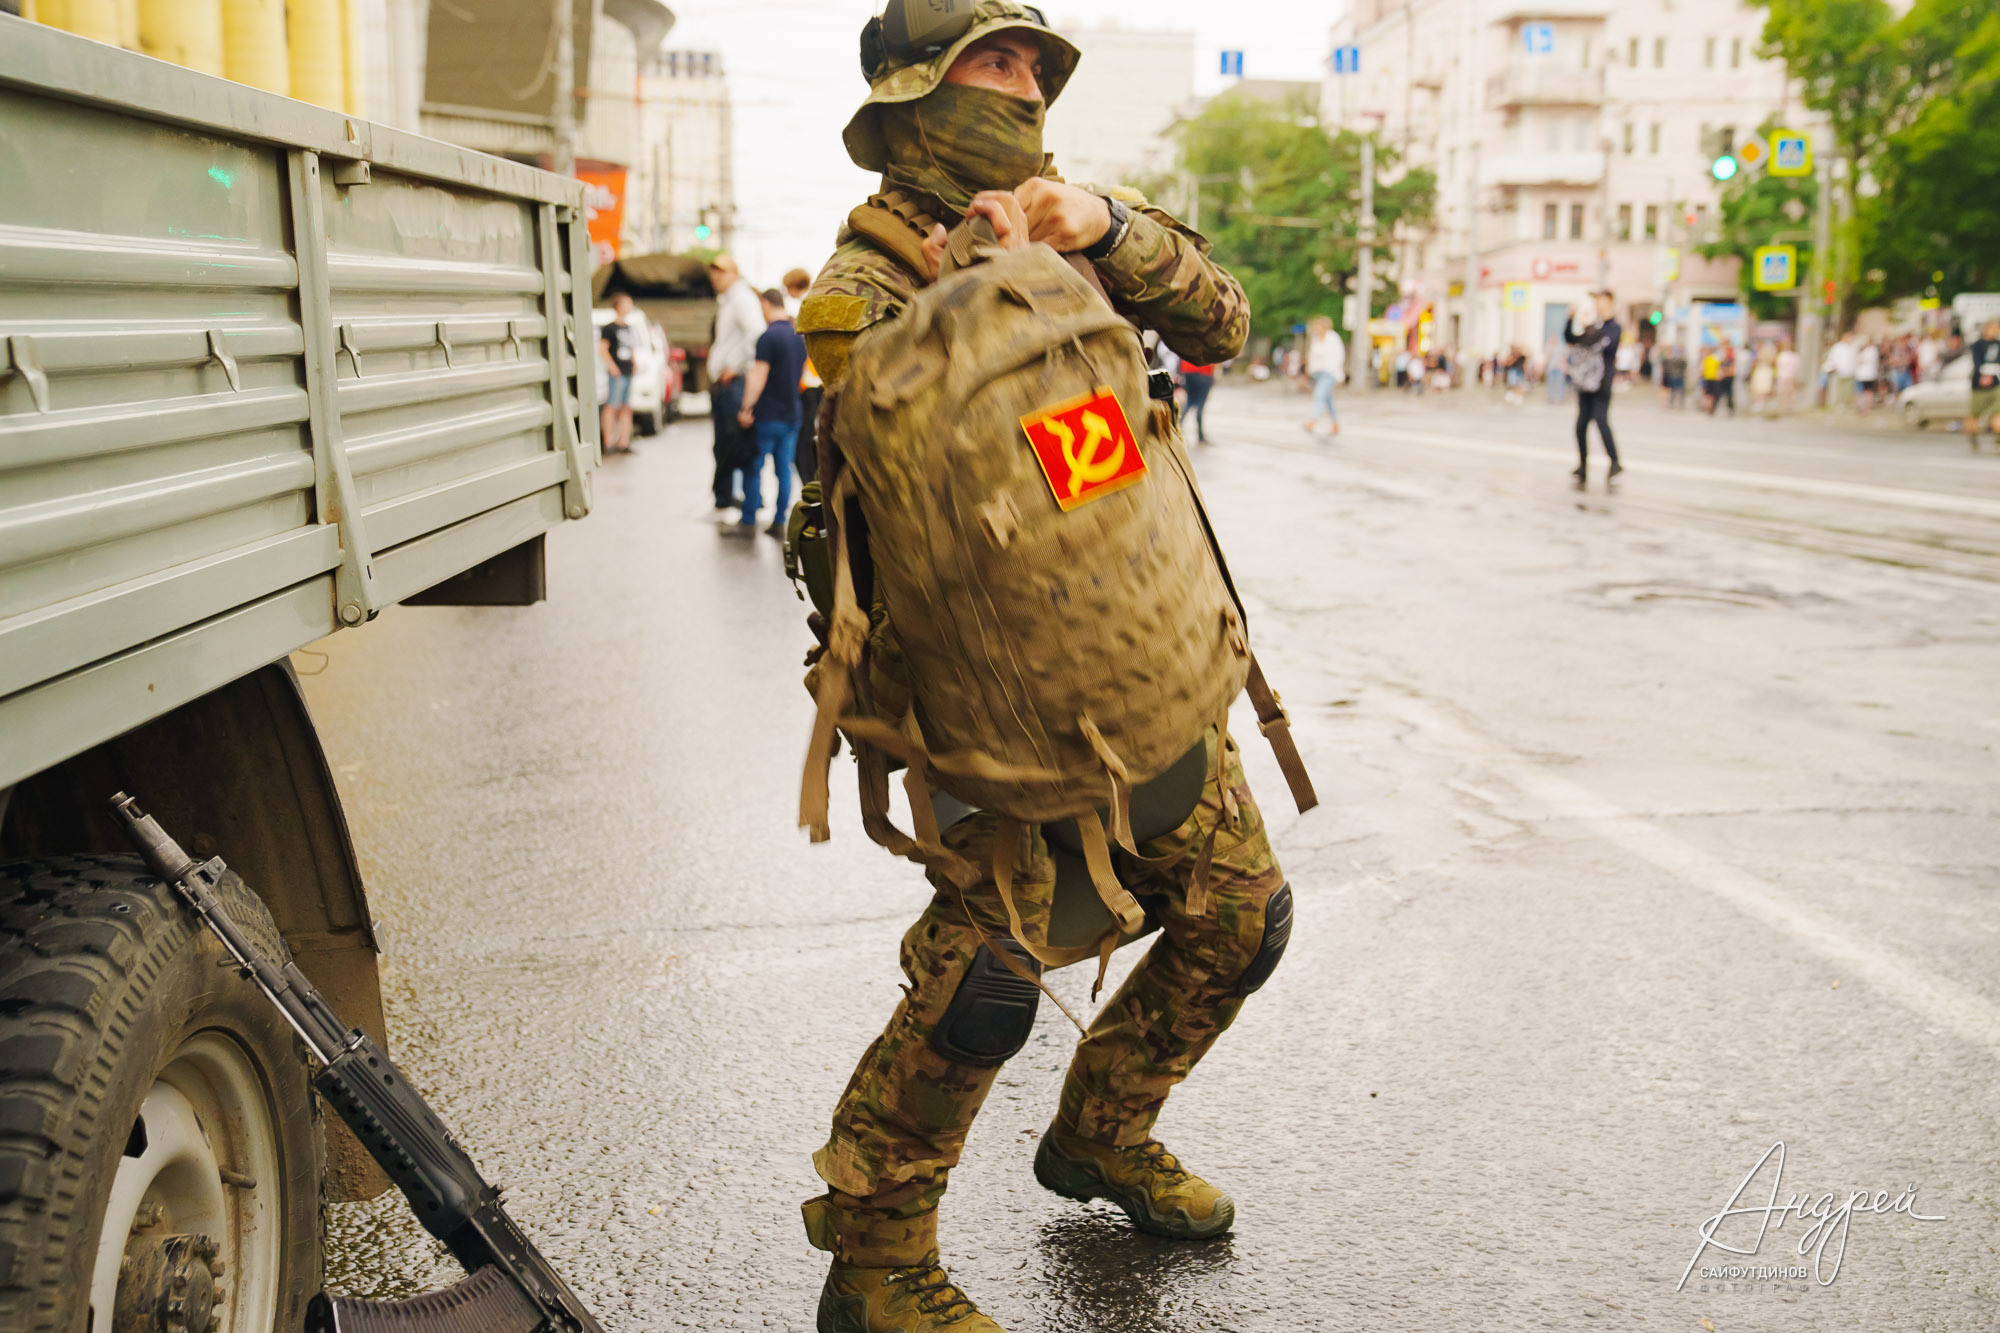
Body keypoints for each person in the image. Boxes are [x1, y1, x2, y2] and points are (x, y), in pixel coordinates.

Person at [793, 6, 1283, 1329]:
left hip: (1137, 650)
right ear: (912, 95)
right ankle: (881, 1259)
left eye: (1030, 66)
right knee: (989, 979)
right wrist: (978, 287)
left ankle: (1103, 1134)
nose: (1018, 88)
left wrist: (1104, 237)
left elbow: (1224, 319)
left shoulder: (1072, 218)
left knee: (1242, 918)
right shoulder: (870, 274)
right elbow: (858, 489)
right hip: (986, 681)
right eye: (987, 64)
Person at [728, 288, 807, 537]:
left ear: (765, 304)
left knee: (753, 466)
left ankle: (749, 517)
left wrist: (746, 407)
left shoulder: (767, 337)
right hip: (792, 413)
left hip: (767, 415)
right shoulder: (799, 336)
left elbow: (758, 376)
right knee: (784, 469)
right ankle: (779, 519)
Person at [706, 253, 766, 510]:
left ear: (734, 274)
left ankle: (731, 496)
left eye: (721, 272)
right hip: (725, 382)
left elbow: (755, 334)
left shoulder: (742, 299)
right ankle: (725, 495)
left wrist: (735, 365)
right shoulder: (728, 300)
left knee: (731, 441)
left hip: (734, 382)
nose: (716, 277)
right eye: (714, 272)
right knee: (724, 441)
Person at [1563, 289, 1622, 482]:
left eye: (1600, 300)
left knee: (1601, 421)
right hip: (1584, 383)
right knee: (1581, 425)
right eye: (1596, 300)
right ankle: (1583, 465)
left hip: (1601, 383)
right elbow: (1572, 338)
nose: (1597, 304)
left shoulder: (1613, 327)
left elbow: (1605, 344)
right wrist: (1571, 318)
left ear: (1609, 302)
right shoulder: (1593, 325)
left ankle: (1615, 462)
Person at [784, 267, 826, 483]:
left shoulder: (800, 306)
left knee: (805, 437)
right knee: (812, 432)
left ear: (792, 286)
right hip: (818, 382)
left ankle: (810, 481)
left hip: (807, 382)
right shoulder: (813, 302)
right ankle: (811, 479)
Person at [598, 290, 638, 454]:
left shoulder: (629, 327)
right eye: (627, 303)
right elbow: (603, 349)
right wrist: (611, 367)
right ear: (618, 306)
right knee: (612, 406)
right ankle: (608, 442)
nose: (630, 306)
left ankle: (624, 441)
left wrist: (634, 362)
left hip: (627, 370)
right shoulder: (609, 328)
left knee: (625, 407)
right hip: (617, 372)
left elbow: (631, 348)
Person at [1304, 316, 1343, 436]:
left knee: (1319, 395)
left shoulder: (1332, 337)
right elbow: (1312, 356)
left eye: (1318, 326)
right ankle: (1335, 424)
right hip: (1318, 373)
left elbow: (1339, 354)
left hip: (1329, 372)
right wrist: (1310, 369)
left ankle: (1312, 421)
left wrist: (1334, 369)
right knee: (1327, 399)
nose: (1316, 329)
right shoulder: (1315, 339)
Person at [1967, 318, 2000, 454]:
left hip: (1996, 384)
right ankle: (1973, 437)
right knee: (1974, 415)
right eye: (1994, 327)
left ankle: (1998, 441)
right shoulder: (1977, 345)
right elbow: (1977, 361)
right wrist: (1983, 375)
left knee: (1998, 413)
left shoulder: (1998, 344)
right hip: (1979, 386)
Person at [1179, 356, 1217, 443]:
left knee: (1189, 402)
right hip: (1204, 372)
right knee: (1200, 405)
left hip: (1188, 370)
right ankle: (1200, 435)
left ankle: (1177, 428)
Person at [1855, 336, 1881, 413]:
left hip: (1865, 375)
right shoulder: (1874, 350)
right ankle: (1866, 407)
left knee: (1865, 392)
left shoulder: (1870, 351)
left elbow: (1860, 361)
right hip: (1868, 374)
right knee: (1868, 392)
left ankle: (1865, 408)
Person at [1776, 340, 1802, 412]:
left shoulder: (1791, 356)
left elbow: (1795, 367)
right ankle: (1785, 405)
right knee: (1785, 391)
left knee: (1788, 391)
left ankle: (1787, 405)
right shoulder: (1785, 355)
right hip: (1785, 376)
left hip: (1788, 376)